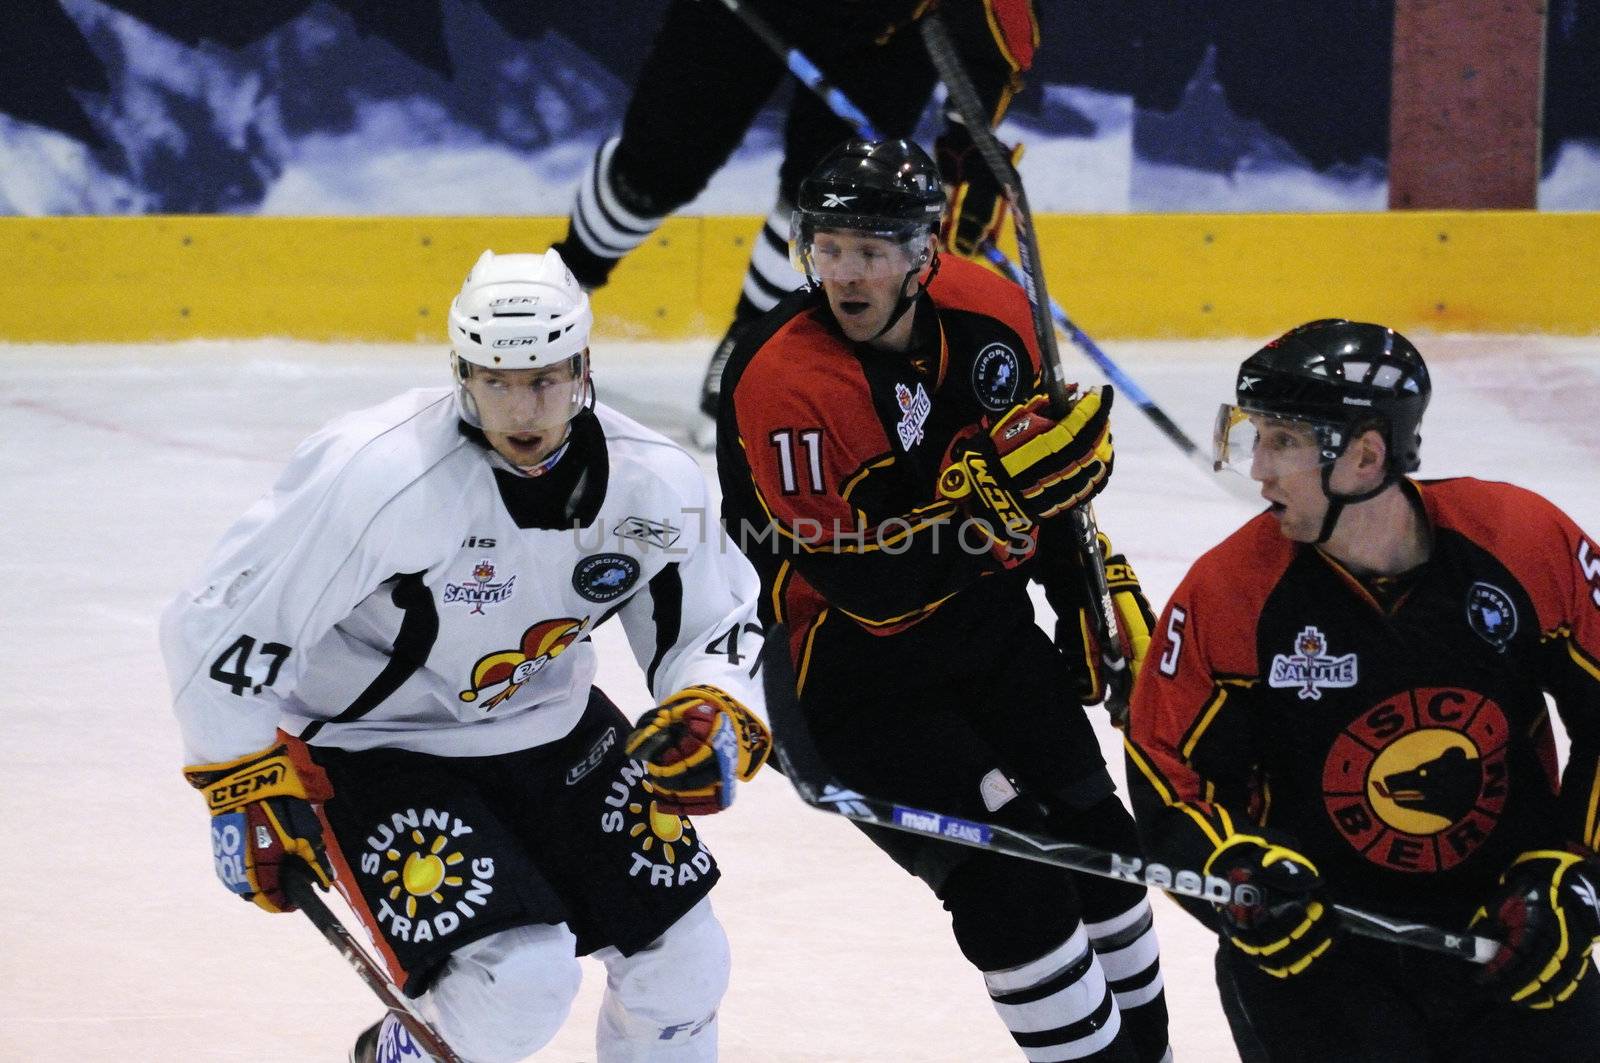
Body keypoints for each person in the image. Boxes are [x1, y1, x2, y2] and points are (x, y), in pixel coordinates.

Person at [160, 248, 773, 1063]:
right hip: (377, 748)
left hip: (552, 727)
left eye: (546, 380)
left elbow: (712, 625)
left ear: (584, 368)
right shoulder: (379, 474)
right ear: (462, 374)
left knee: (686, 961)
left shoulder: (653, 484)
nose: (522, 409)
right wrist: (237, 780)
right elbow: (220, 622)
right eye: (496, 381)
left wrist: (712, 708)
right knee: (520, 983)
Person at [717, 136, 1172, 1061]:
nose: (844, 272)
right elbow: (866, 587)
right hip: (855, 682)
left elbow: (1052, 483)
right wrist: (999, 503)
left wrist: (1089, 581)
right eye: (828, 246)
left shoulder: (992, 313)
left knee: (1105, 854)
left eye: (873, 250)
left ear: (926, 254)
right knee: (1019, 890)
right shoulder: (783, 379)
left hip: (990, 638)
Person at [1125, 319, 1600, 1061]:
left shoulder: (1522, 542)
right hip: (1320, 952)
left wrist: (1577, 875)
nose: (1260, 469)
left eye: (1284, 441)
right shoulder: (1229, 592)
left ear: (1366, 455)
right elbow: (1166, 769)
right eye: (1258, 435)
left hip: (1511, 930)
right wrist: (1236, 876)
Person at [552, 0, 1039, 445]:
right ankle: (565, 281)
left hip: (886, 30)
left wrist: (970, 134)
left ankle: (750, 341)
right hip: (735, 11)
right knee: (652, 174)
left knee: (835, 203)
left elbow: (1004, 12)